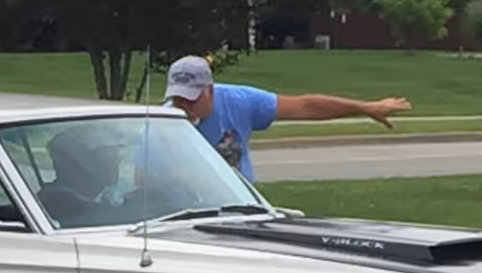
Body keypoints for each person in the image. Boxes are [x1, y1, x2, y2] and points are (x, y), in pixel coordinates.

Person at [163, 55, 411, 181]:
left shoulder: (239, 101)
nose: (184, 106)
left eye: (192, 98)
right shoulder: (162, 123)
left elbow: (306, 106)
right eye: (178, 98)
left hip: (239, 210)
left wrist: (366, 108)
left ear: (210, 90)